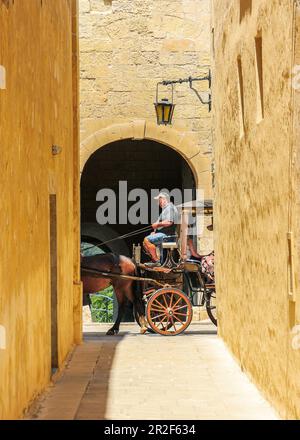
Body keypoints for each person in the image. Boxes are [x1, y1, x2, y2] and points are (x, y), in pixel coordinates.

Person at [143, 192, 178, 267]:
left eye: (159, 200)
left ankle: (156, 261)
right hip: (164, 233)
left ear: (164, 199)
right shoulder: (166, 209)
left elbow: (169, 222)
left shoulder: (170, 208)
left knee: (147, 240)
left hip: (167, 235)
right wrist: (155, 231)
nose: (158, 203)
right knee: (146, 242)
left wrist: (157, 225)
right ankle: (158, 260)